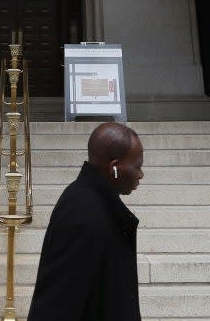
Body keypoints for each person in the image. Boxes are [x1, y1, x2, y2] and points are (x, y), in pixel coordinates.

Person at [26, 121, 144, 321]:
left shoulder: (93, 202)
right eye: (137, 166)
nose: (141, 175)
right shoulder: (84, 213)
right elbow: (59, 300)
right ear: (114, 168)